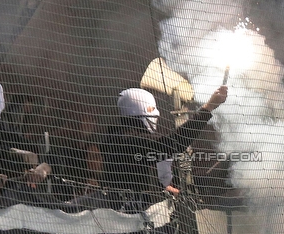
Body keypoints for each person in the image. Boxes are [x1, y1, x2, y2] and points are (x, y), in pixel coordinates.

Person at [96, 85, 228, 205]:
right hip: (126, 217)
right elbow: (173, 143)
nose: (157, 113)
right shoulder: (128, 140)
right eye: (152, 108)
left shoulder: (119, 137)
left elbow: (134, 172)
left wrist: (162, 188)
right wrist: (208, 107)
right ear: (143, 109)